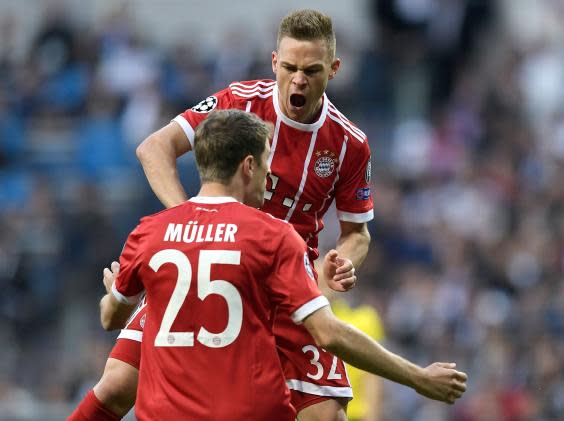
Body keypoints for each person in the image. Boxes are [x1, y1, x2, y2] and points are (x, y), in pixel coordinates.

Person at [68, 9, 433, 420]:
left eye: (311, 70)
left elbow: (357, 233)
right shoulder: (238, 103)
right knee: (117, 383)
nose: (298, 80)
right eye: (290, 67)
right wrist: (193, 223)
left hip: (287, 282)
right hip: (214, 267)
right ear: (274, 62)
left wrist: (343, 262)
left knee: (324, 416)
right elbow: (154, 148)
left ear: (333, 69)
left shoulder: (350, 143)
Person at [97, 109, 467, 420]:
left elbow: (109, 316)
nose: (271, 173)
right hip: (239, 404)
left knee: (115, 385)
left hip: (173, 402)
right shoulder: (273, 236)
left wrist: (184, 231)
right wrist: (418, 377)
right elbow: (329, 333)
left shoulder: (151, 231)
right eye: (266, 160)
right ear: (248, 166)